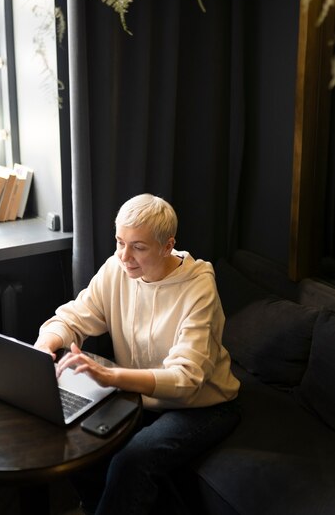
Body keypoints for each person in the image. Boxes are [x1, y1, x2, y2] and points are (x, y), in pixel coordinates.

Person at [35, 193, 240, 515]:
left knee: (133, 459)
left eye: (139, 247)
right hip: (137, 396)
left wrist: (110, 376)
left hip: (201, 404)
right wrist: (46, 344)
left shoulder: (198, 288)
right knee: (75, 439)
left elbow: (187, 380)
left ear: (167, 245)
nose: (124, 256)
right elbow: (74, 317)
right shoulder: (116, 269)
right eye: (120, 242)